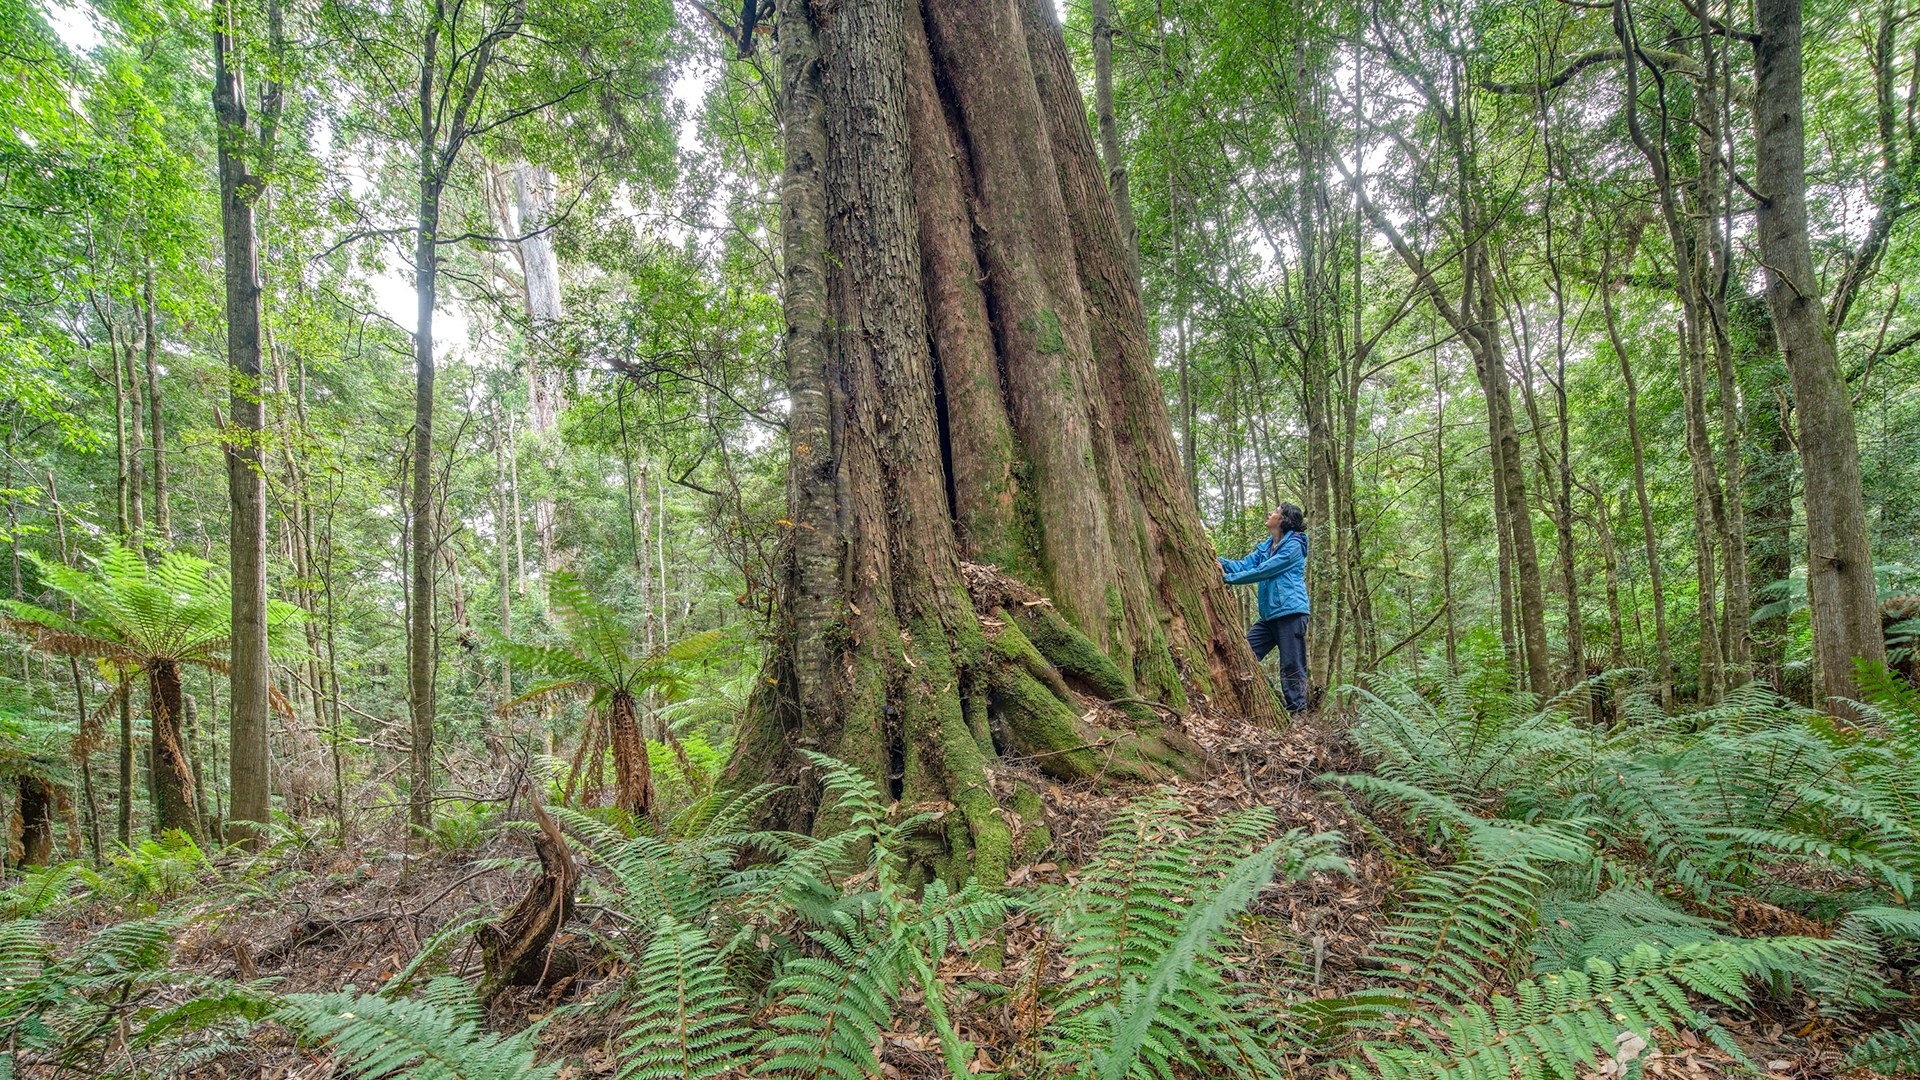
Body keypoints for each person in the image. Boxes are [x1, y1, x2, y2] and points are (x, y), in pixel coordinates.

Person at [1219, 503, 1310, 713]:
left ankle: (1297, 712)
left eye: (1276, 511)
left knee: (1291, 663)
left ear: (1284, 520)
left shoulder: (1294, 546)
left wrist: (1228, 579)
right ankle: (1270, 692)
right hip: (1269, 616)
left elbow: (1265, 570)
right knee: (1245, 652)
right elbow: (1245, 565)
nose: (1270, 513)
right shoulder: (1267, 547)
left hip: (1291, 613)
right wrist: (1215, 559)